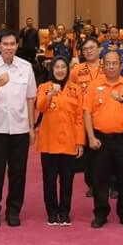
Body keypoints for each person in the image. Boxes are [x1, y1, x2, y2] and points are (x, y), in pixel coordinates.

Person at [0, 29, 37, 228]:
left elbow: (30, 98)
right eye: (5, 44)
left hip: (20, 128)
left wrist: (31, 127)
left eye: (12, 44)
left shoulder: (26, 67)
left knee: (18, 172)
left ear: (17, 45)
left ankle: (13, 210)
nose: (9, 48)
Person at [84, 51, 123, 229]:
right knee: (100, 178)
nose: (111, 66)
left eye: (114, 63)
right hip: (101, 139)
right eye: (107, 63)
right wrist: (91, 137)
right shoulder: (94, 85)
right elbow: (87, 112)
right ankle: (101, 213)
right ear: (103, 65)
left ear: (121, 66)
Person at [36, 56, 84, 226]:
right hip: (49, 143)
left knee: (67, 181)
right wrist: (50, 94)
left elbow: (79, 118)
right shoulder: (44, 87)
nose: (60, 70)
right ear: (52, 69)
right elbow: (40, 107)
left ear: (67, 69)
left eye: (63, 67)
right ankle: (51, 212)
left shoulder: (76, 89)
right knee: (49, 181)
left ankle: (64, 212)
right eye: (57, 67)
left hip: (69, 142)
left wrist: (80, 142)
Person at [70, 37, 102, 197]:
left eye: (92, 47)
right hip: (84, 117)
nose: (88, 51)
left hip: (105, 115)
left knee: (107, 152)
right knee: (89, 155)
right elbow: (70, 91)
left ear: (99, 49)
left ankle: (111, 184)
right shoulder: (77, 70)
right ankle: (92, 185)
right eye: (85, 49)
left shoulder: (108, 66)